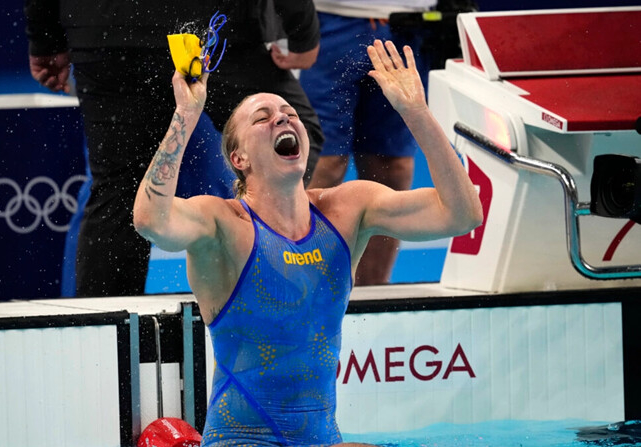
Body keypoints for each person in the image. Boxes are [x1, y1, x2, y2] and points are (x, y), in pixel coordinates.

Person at [133, 39, 482, 446]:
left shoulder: (347, 209)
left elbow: (462, 214)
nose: (283, 120)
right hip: (243, 439)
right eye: (263, 117)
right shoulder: (223, 224)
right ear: (238, 158)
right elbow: (150, 220)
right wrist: (186, 114)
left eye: (290, 113)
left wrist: (416, 113)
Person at [24, 0, 324, 297]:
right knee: (288, 142)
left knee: (116, 193)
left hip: (107, 32)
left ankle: (105, 334)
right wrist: (302, 33)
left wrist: (45, 40)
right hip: (215, 28)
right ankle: (272, 296)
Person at [298, 0, 435, 285]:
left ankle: (373, 292)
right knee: (323, 163)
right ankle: (302, 288)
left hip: (409, 24)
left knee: (391, 166)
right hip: (331, 19)